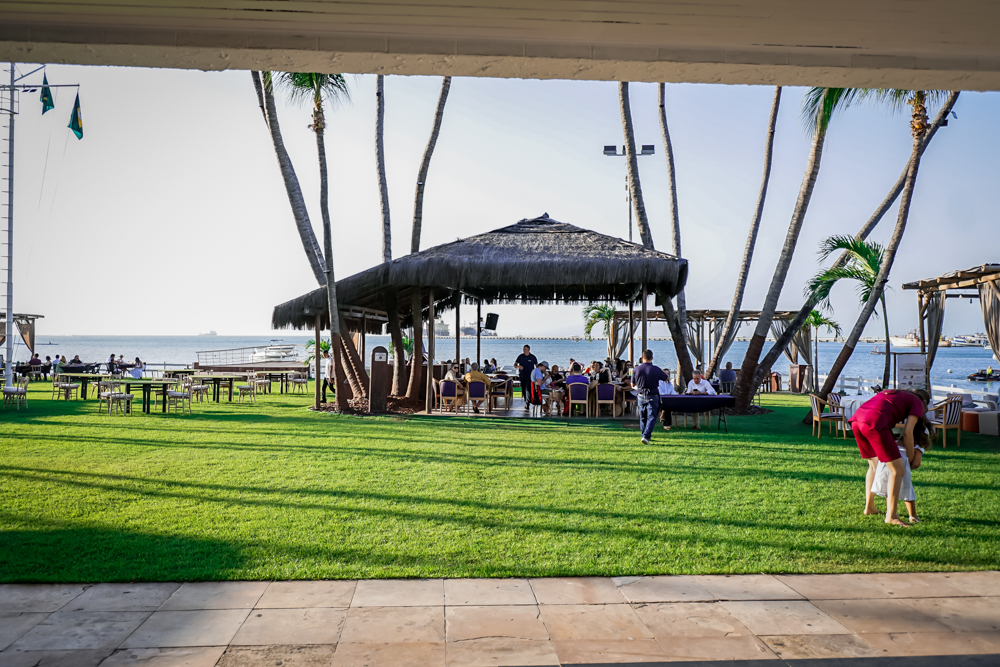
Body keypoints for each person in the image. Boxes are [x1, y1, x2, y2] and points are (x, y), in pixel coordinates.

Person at [849, 388, 930, 527]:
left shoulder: (898, 394)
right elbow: (908, 432)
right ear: (924, 402)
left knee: (873, 466)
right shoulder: (917, 401)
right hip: (875, 422)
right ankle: (891, 516)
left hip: (857, 420)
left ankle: (869, 507)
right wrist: (910, 457)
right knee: (897, 470)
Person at [871, 415, 933, 523]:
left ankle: (890, 511)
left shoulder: (897, 442)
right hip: (901, 465)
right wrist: (909, 466)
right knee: (908, 490)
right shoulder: (918, 446)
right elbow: (917, 463)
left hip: (886, 462)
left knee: (890, 488)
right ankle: (913, 516)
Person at [633, 349, 669, 445]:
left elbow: (632, 384)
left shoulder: (636, 369)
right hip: (652, 394)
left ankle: (644, 435)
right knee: (652, 417)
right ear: (652, 358)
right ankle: (646, 436)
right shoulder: (656, 369)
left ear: (642, 357)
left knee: (643, 416)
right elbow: (666, 378)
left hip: (640, 394)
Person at [513, 345, 538, 410]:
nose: (524, 350)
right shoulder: (520, 356)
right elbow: (515, 365)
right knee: (523, 389)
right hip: (522, 375)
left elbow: (537, 366)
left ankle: (528, 402)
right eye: (523, 349)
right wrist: (518, 367)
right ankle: (526, 400)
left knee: (528, 389)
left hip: (530, 376)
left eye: (525, 349)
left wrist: (537, 373)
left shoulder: (532, 357)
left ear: (528, 350)